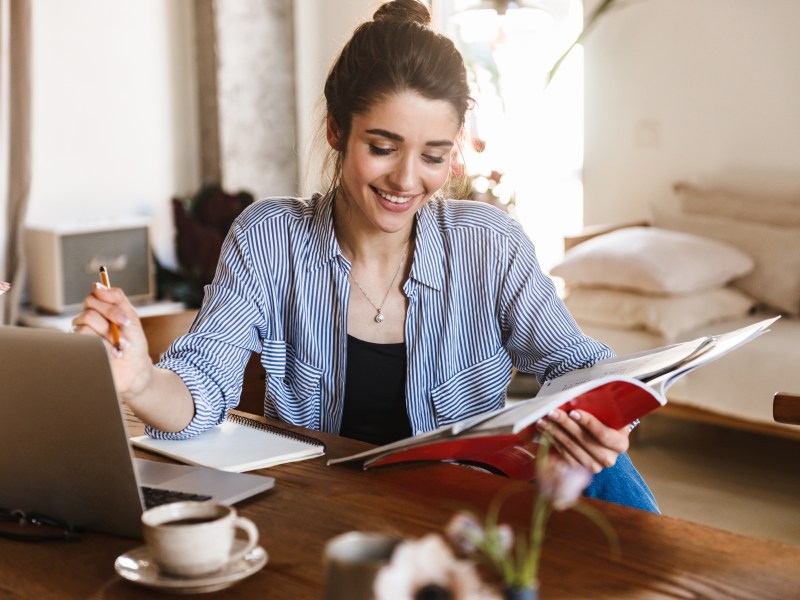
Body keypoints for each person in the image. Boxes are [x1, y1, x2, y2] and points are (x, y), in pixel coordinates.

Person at [73, 0, 658, 512]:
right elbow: (201, 391)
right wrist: (143, 379)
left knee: (613, 477)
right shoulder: (269, 239)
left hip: (466, 511)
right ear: (336, 130)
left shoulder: (490, 243)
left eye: (433, 155)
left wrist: (606, 420)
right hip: (332, 512)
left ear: (455, 151)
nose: (406, 179)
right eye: (382, 147)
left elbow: (577, 366)